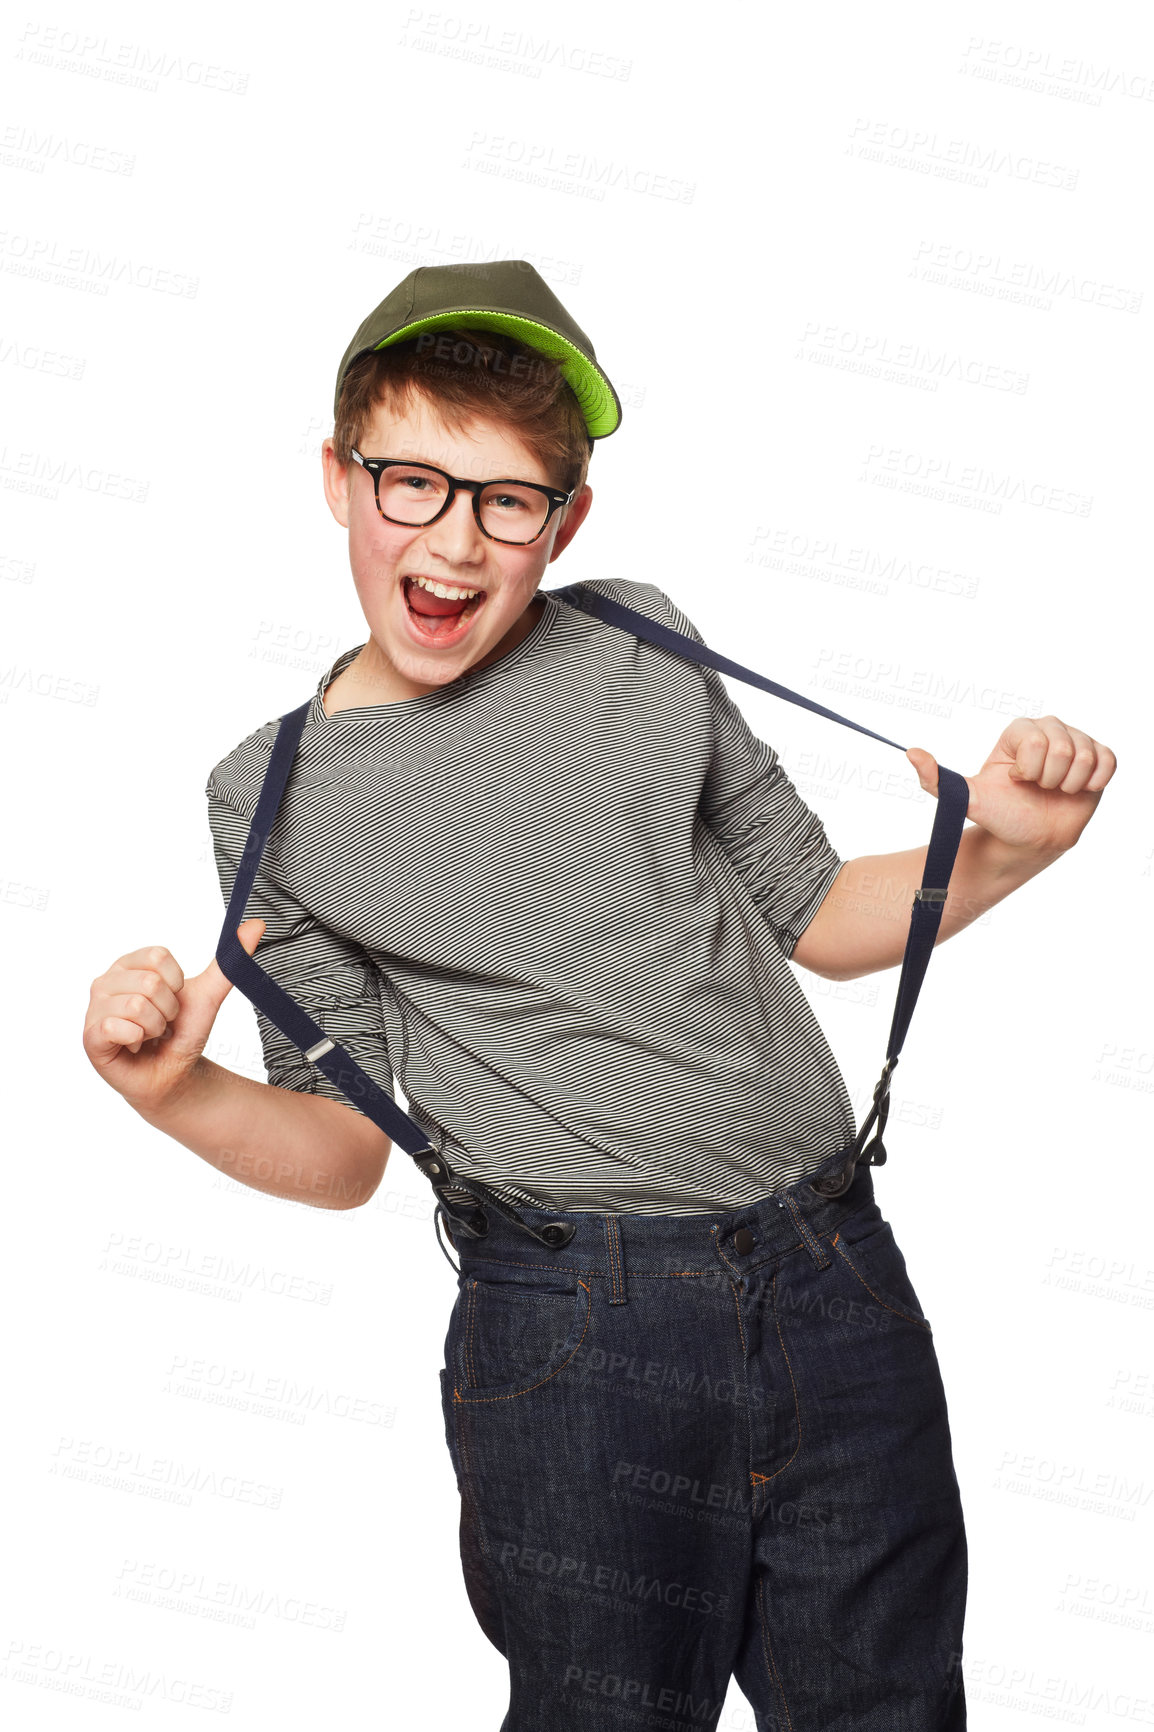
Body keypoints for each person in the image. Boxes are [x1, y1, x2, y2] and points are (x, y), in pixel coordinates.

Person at [83, 261, 1116, 1729]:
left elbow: (818, 914)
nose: (455, 539)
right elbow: (339, 1154)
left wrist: (1008, 849)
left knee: (891, 1704)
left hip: (834, 1277)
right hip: (578, 1337)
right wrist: (168, 1087)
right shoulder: (272, 798)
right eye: (413, 483)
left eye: (508, 499)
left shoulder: (640, 640)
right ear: (336, 477)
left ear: (564, 520)